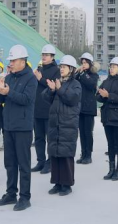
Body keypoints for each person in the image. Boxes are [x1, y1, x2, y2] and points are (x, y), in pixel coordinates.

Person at [0, 45, 38, 211]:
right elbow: (1, 99)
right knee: (10, 163)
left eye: (13, 60)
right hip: (9, 125)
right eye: (10, 60)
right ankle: (11, 193)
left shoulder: (31, 78)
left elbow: (26, 99)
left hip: (23, 127)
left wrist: (8, 92)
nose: (10, 63)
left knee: (23, 164)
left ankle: (25, 197)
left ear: (22, 61)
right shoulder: (10, 77)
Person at [45, 55, 82, 196]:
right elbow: (45, 98)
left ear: (71, 69)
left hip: (68, 123)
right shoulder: (57, 81)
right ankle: (57, 182)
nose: (61, 69)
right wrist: (51, 90)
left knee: (66, 154)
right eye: (61, 67)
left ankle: (67, 184)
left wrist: (59, 89)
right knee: (55, 154)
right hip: (55, 123)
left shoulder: (76, 84)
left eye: (64, 67)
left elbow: (73, 99)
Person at [97, 57, 118, 181]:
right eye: (110, 66)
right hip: (107, 117)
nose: (111, 69)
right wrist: (100, 95)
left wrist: (109, 95)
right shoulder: (106, 81)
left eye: (114, 67)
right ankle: (111, 169)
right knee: (110, 144)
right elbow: (98, 96)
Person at [32, 44, 60, 174]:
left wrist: (40, 79)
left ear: (52, 57)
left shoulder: (56, 70)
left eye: (46, 55)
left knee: (50, 138)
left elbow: (52, 86)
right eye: (43, 54)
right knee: (38, 138)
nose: (44, 57)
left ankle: (50, 162)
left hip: (49, 109)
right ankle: (40, 161)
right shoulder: (39, 69)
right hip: (37, 108)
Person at [75, 52, 99, 164]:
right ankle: (83, 153)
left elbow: (91, 84)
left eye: (85, 62)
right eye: (82, 62)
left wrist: (83, 74)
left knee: (88, 132)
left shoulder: (94, 75)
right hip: (80, 107)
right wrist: (77, 73)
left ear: (90, 64)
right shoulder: (80, 74)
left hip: (89, 108)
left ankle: (88, 155)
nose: (83, 64)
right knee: (82, 132)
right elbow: (73, 80)